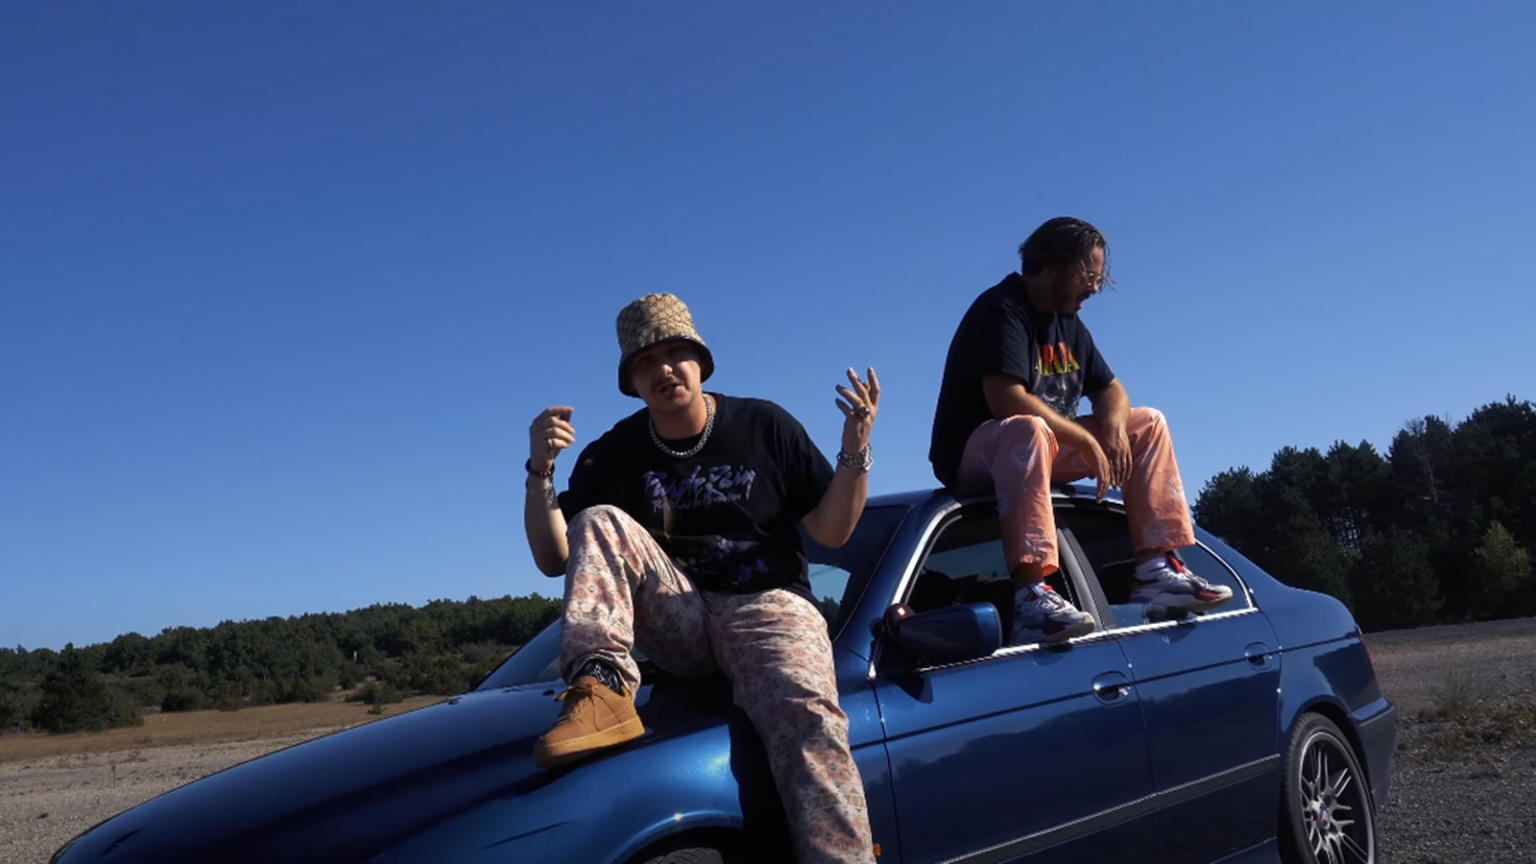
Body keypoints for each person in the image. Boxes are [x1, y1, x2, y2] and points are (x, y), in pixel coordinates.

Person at [523, 292, 880, 864]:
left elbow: (832, 530)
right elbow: (554, 555)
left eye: (675, 353)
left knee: (808, 721)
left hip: (768, 607)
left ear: (700, 361)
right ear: (631, 381)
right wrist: (540, 469)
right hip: (680, 614)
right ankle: (602, 689)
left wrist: (854, 450)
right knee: (598, 520)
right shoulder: (614, 453)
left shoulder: (764, 424)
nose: (663, 369)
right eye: (645, 362)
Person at [928, 217, 1231, 645]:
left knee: (1146, 423)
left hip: (1043, 449)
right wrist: (1086, 438)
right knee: (1027, 429)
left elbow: (1111, 389)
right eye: (1089, 275)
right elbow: (1006, 400)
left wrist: (1109, 426)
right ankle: (1031, 592)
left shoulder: (1069, 323)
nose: (1095, 287)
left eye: (1100, 277)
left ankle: (1154, 569)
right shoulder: (1001, 308)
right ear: (1051, 267)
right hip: (976, 455)